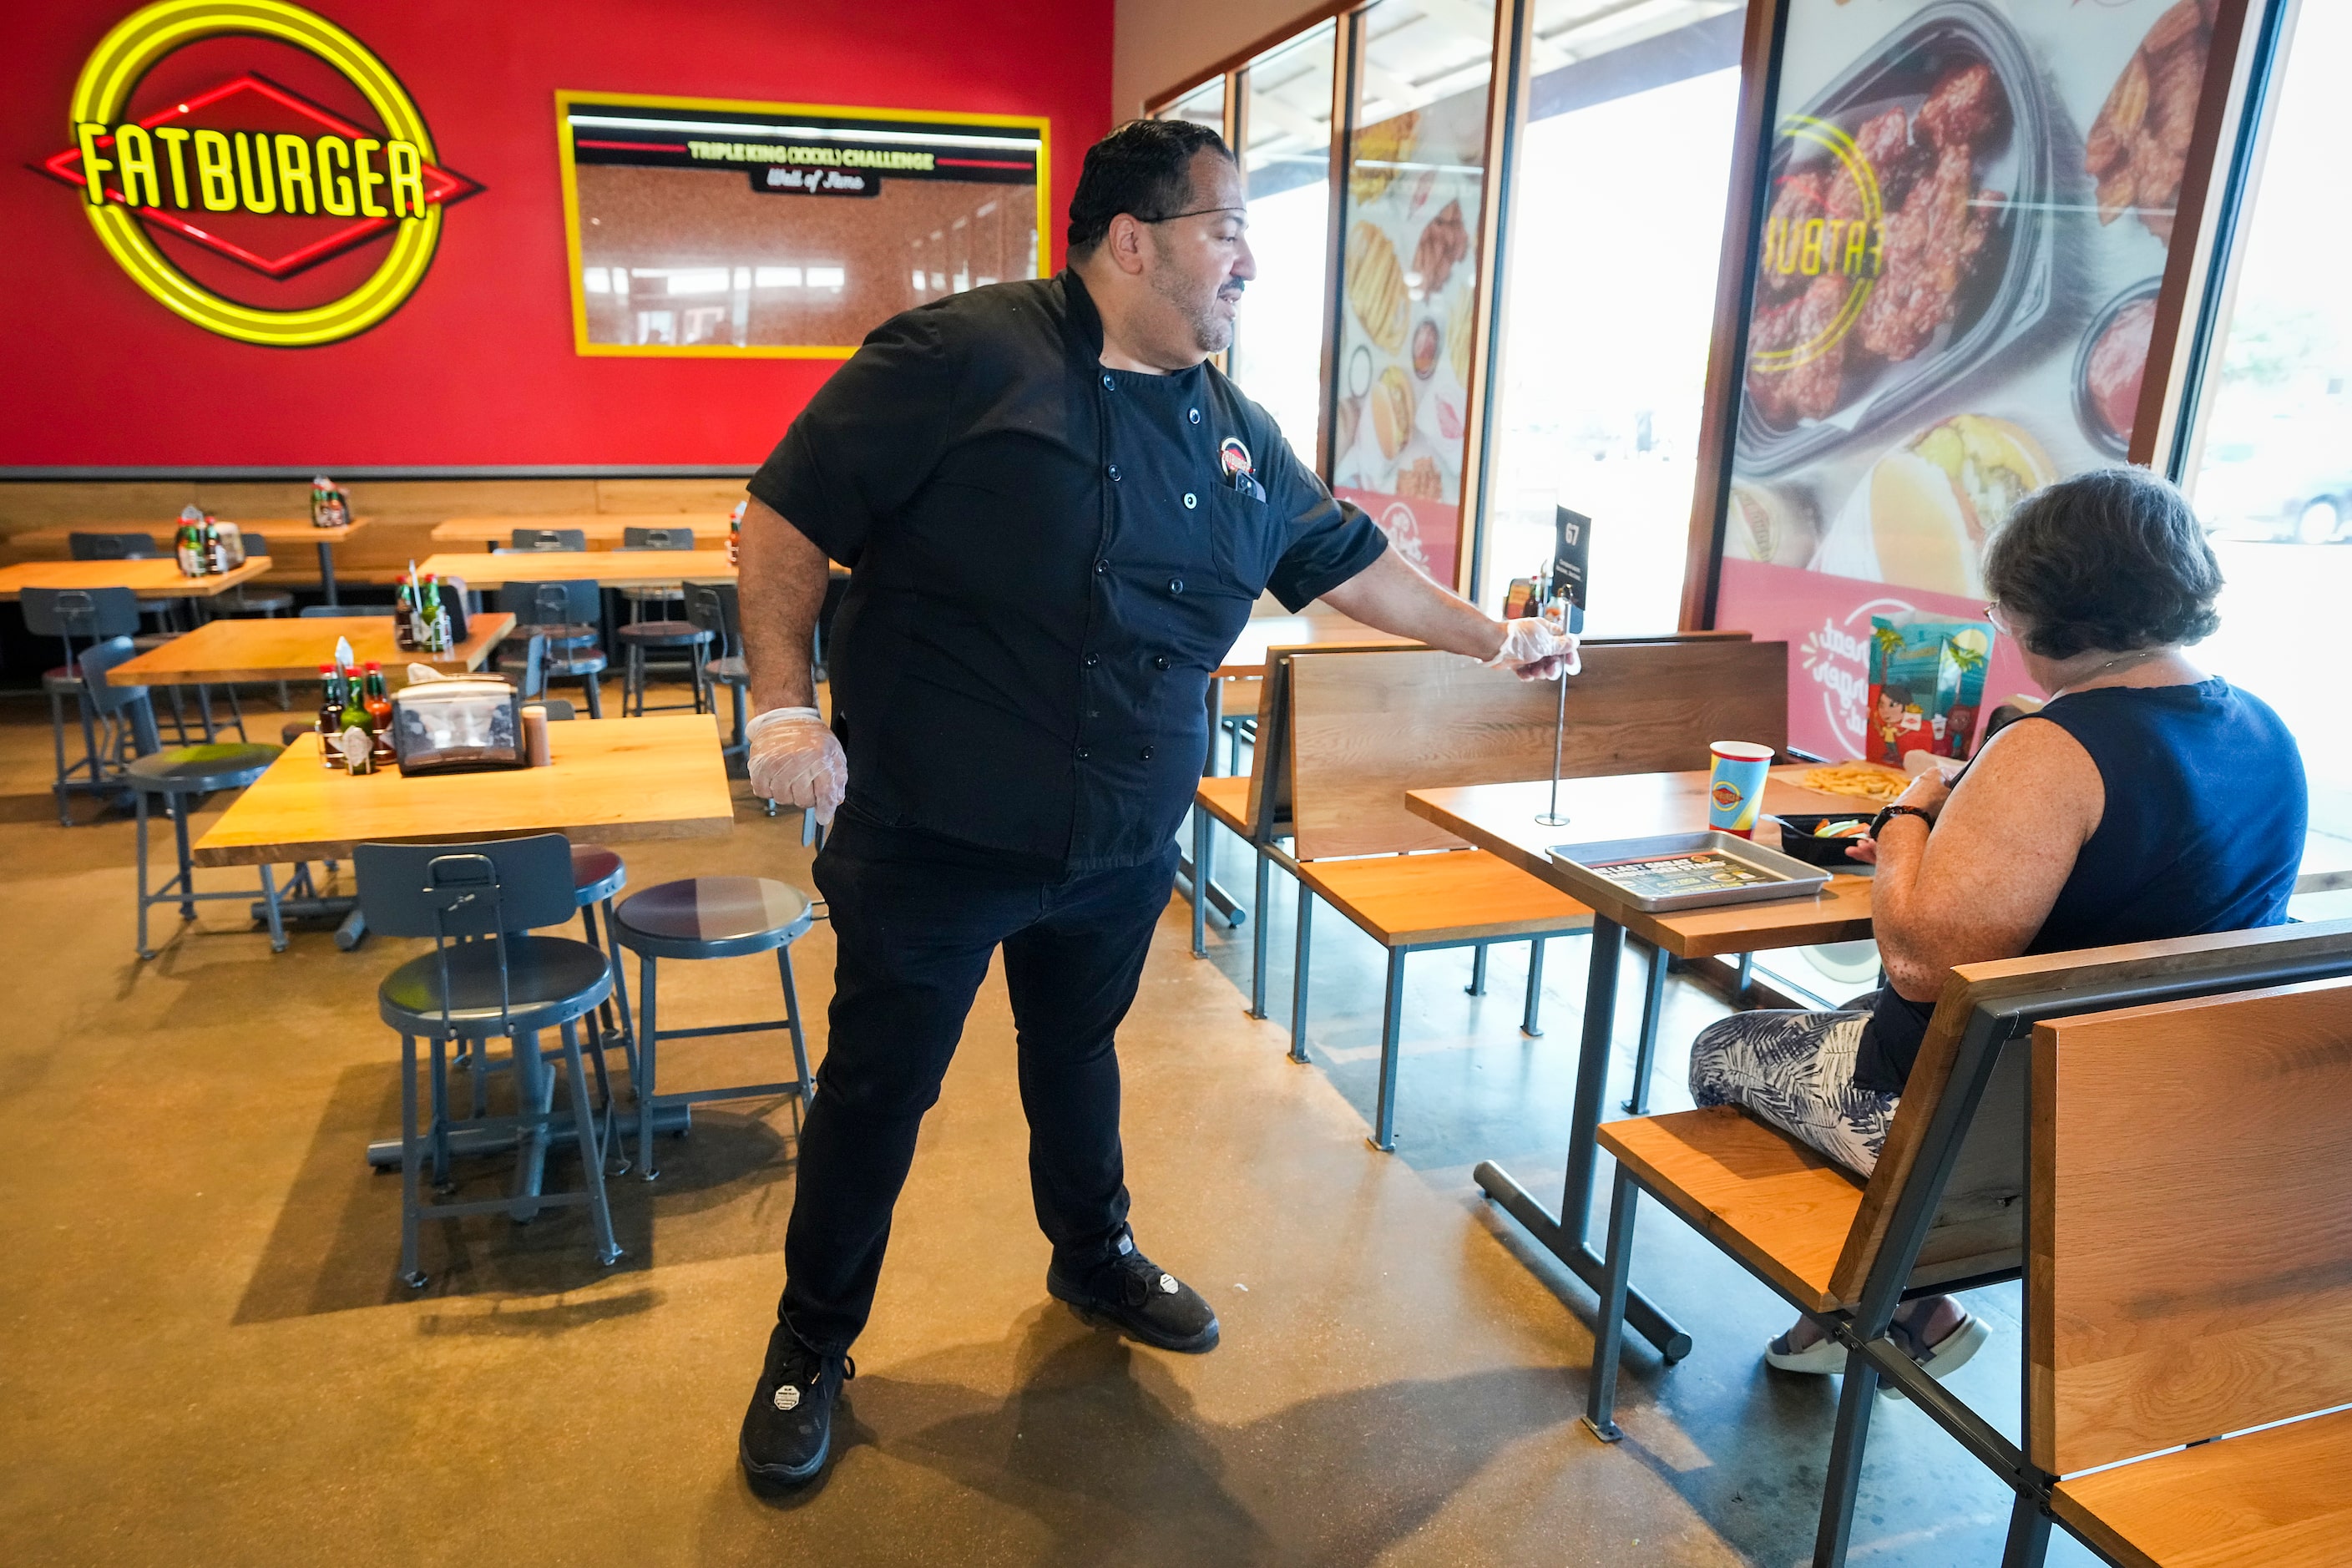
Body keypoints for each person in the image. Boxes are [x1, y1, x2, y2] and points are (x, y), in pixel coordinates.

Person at [731, 118, 1578, 1487]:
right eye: (1226, 226)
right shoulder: (963, 358)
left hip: (1121, 838)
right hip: (934, 836)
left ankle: (1095, 1254)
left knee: (1075, 1055)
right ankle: (808, 1340)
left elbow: (1344, 560)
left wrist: (1494, 636)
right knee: (879, 1089)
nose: (1247, 257)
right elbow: (784, 514)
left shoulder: (1234, 428)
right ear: (1133, 240)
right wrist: (781, 703)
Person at [1688, 465, 2304, 1383]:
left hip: (1978, 1131)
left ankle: (1895, 1298)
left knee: (1721, 1045)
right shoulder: (2267, 732)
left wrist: (1909, 819)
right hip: (2150, 1118)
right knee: (1842, 1013)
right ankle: (1898, 1308)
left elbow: (1920, 964)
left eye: (2006, 611)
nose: (2005, 631)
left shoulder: (2053, 750)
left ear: (2050, 609)